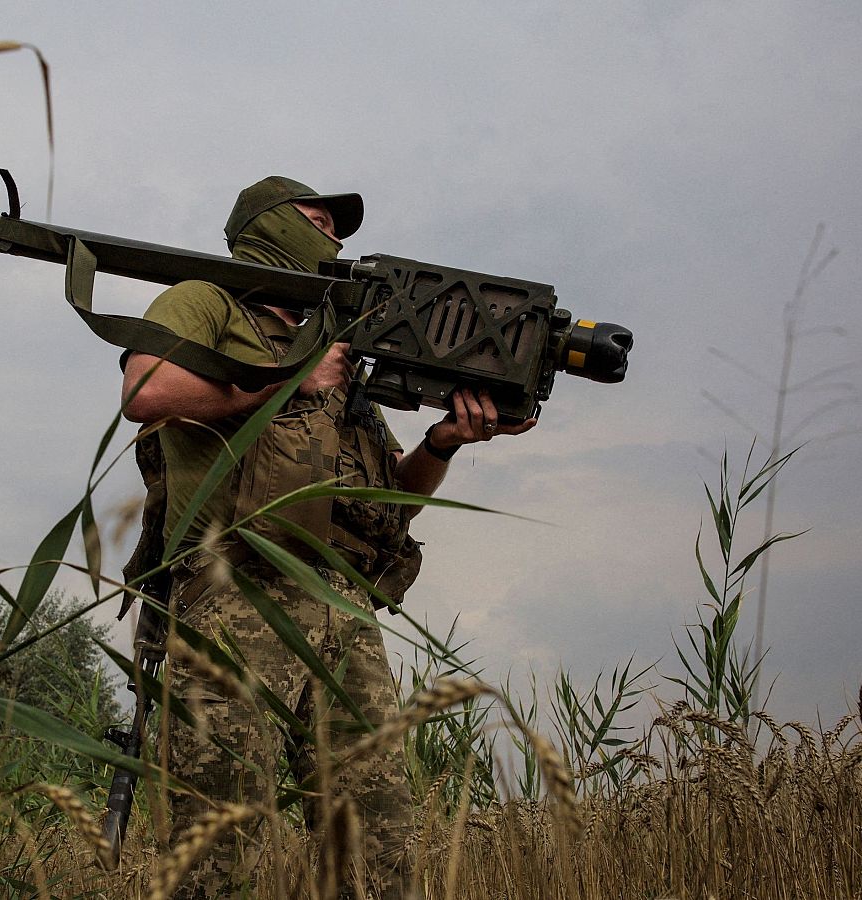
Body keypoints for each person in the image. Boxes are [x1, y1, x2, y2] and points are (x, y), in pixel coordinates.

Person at [120, 175, 535, 899]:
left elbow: (389, 505)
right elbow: (144, 390)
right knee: (223, 838)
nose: (336, 240)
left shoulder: (343, 354)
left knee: (376, 840)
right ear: (271, 228)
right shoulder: (209, 300)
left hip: (342, 609)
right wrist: (284, 382)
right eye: (318, 221)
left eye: (337, 228)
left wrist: (443, 443)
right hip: (232, 595)